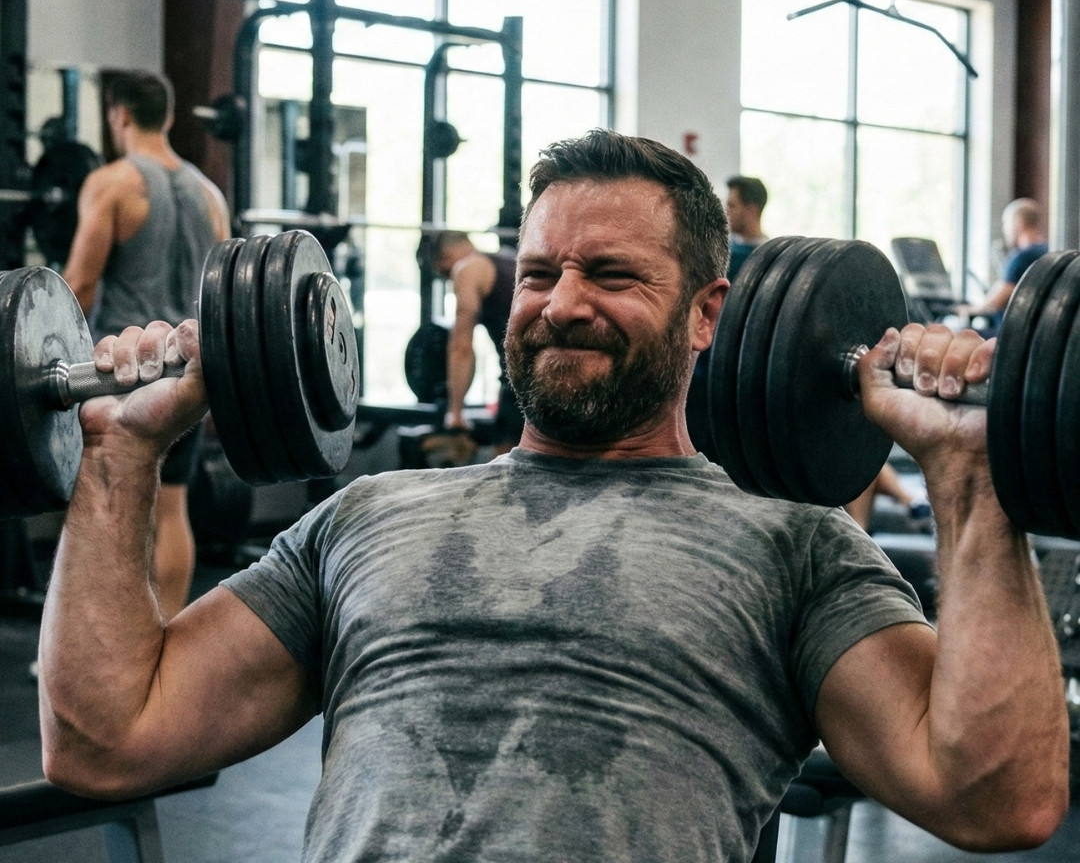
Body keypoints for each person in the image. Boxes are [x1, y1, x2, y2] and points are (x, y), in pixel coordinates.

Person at [40, 130, 1067, 861]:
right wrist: (118, 458)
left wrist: (970, 480)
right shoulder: (367, 517)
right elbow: (108, 738)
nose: (561, 305)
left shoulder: (792, 548)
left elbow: (998, 798)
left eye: (611, 275)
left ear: (708, 312)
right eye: (538, 274)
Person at [62, 70, 229, 620]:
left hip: (121, 376)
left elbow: (78, 285)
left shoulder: (111, 182)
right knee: (172, 506)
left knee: (107, 507)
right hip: (189, 372)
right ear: (171, 116)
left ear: (120, 115)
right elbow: (222, 294)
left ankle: (101, 648)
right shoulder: (211, 195)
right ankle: (165, 636)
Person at [424, 229, 524, 450]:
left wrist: (456, 412)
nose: (450, 277)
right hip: (542, 374)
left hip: (524, 381)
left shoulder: (467, 269)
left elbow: (461, 347)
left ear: (447, 256)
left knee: (508, 475)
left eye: (445, 273)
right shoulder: (508, 258)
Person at [957, 197, 1048, 334]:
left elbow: (995, 303)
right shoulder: (1048, 250)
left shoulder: (1022, 257)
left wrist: (969, 310)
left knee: (958, 333)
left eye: (1006, 223)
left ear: (1019, 222)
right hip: (1036, 334)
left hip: (1010, 337)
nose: (1005, 229)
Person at [725, 174, 768, 282]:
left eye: (732, 206)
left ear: (751, 210)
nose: (725, 211)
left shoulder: (768, 258)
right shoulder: (723, 249)